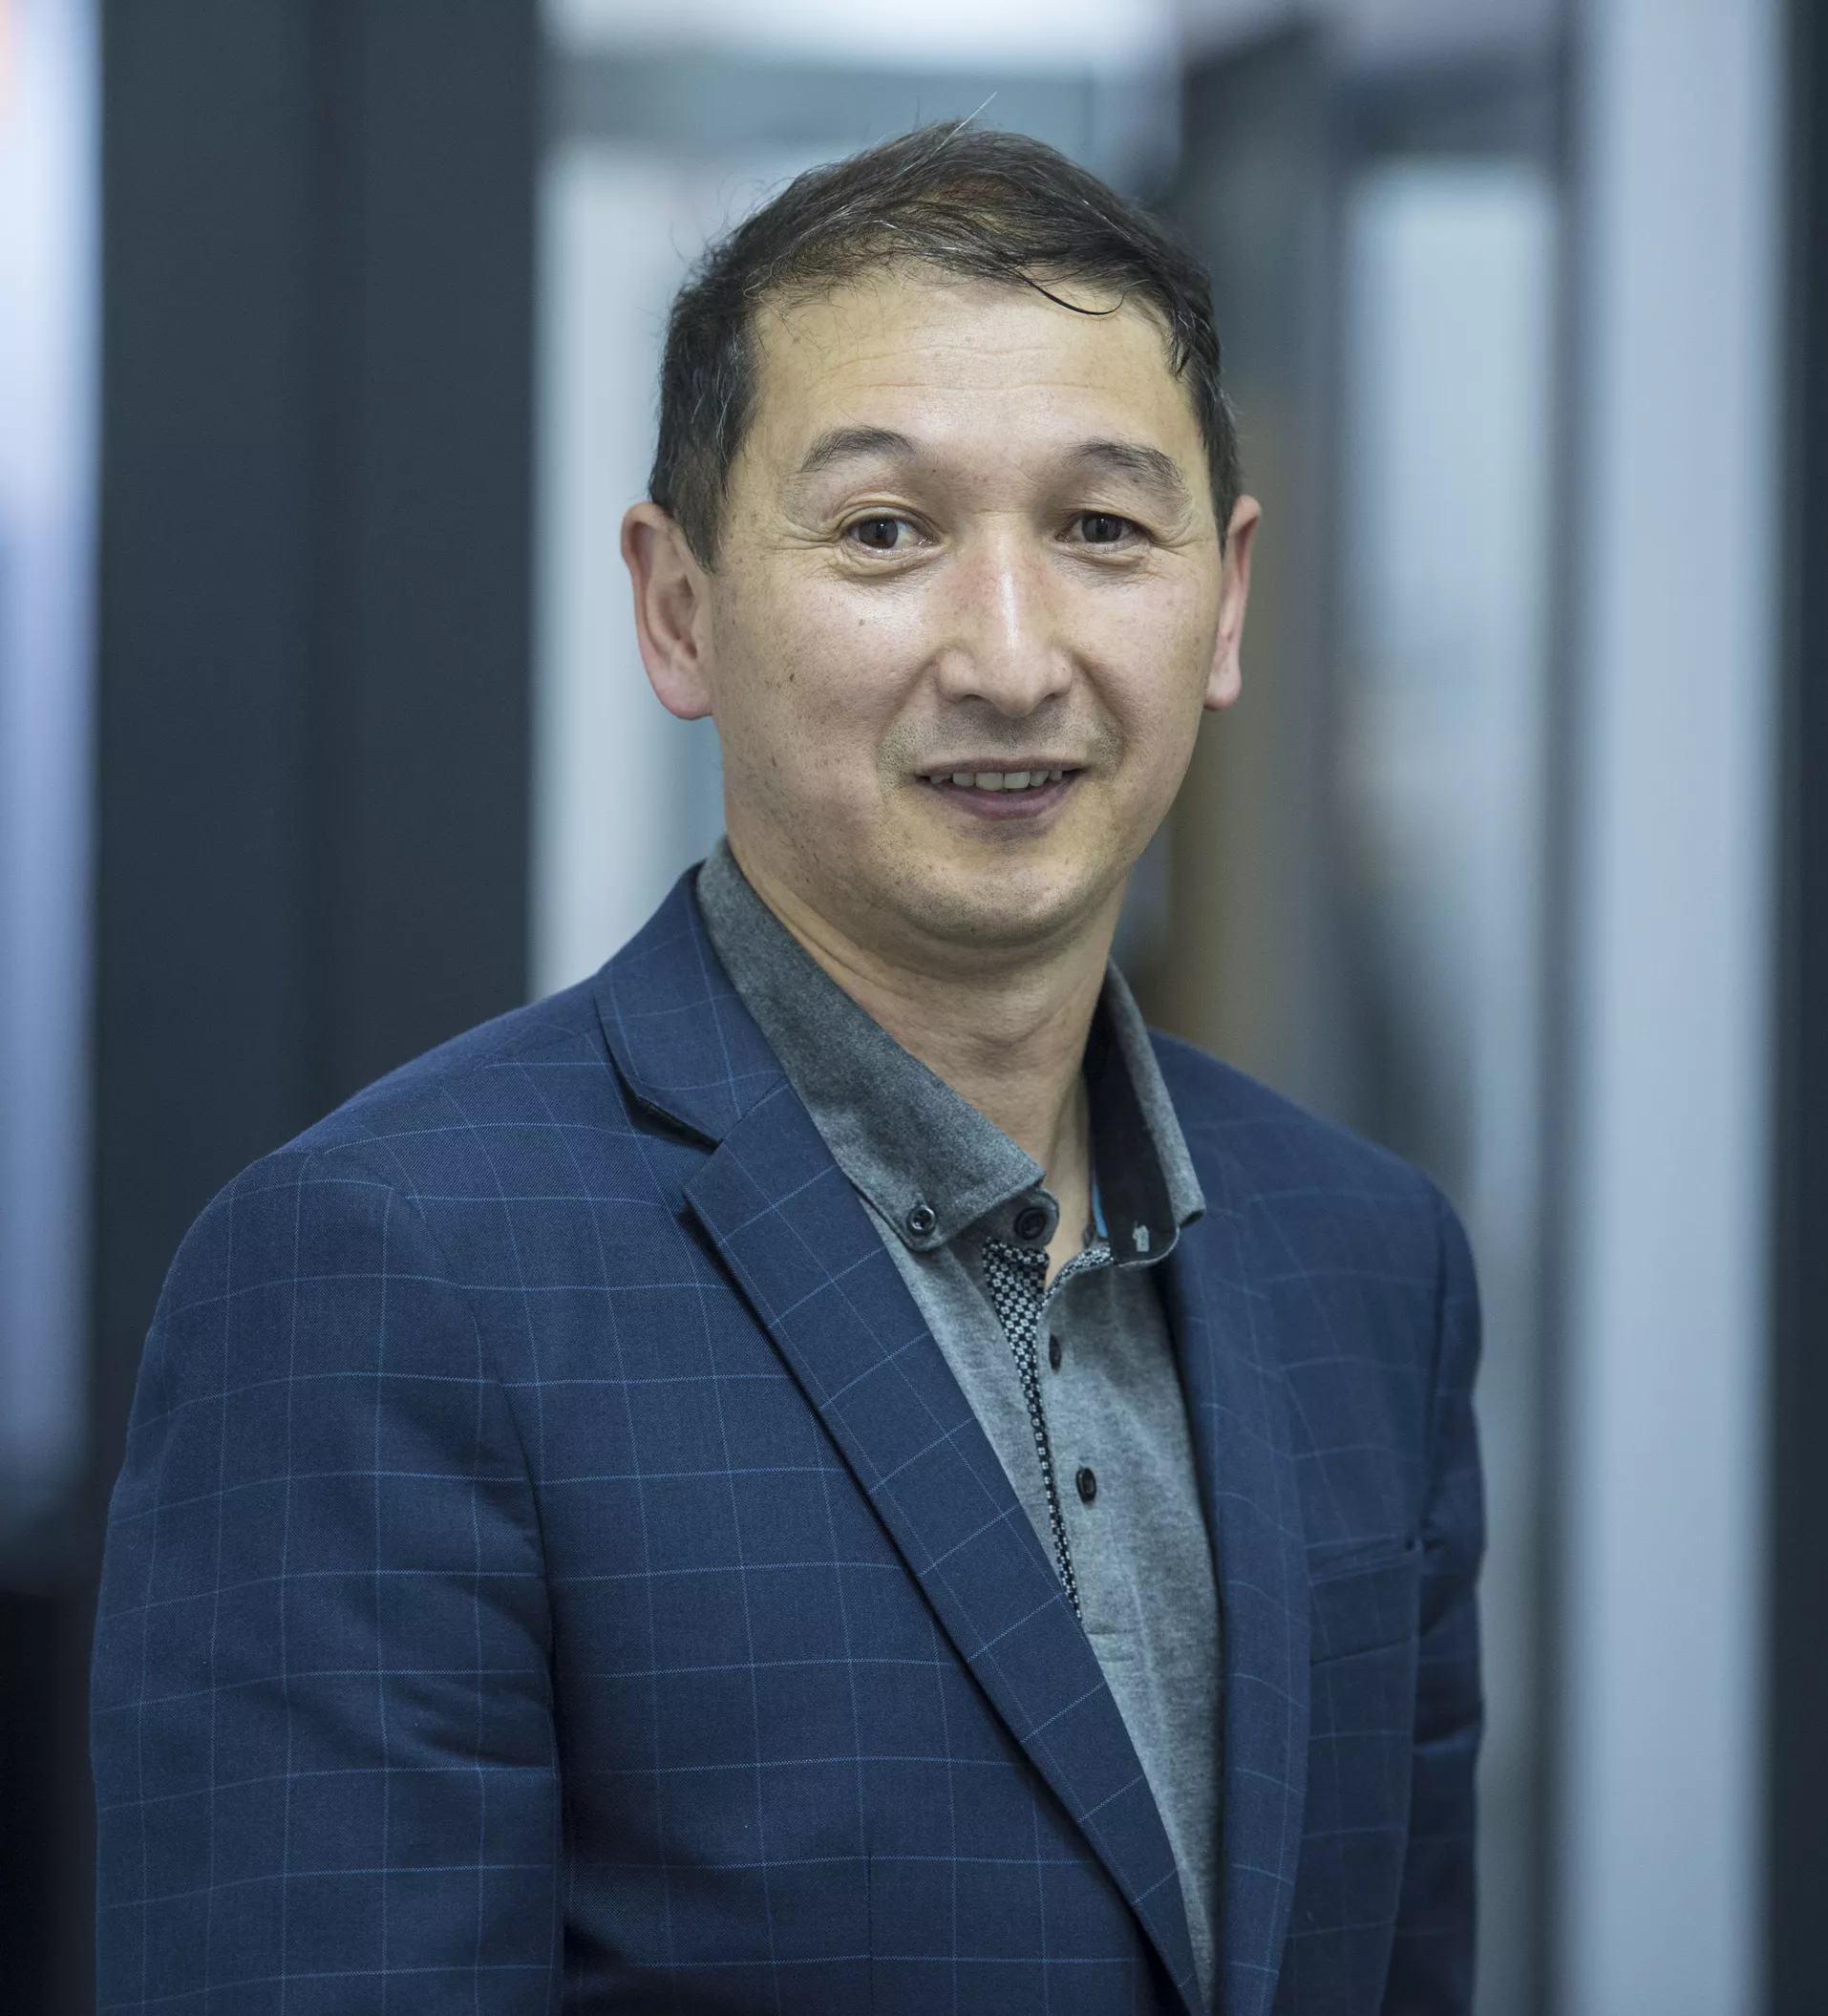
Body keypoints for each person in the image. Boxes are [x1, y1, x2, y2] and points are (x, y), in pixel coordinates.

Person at [92, 125, 1481, 2015]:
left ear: (1224, 599)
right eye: (886, 531)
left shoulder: (1371, 1264)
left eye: (1101, 529)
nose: (1012, 658)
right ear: (679, 607)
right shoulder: (385, 1279)